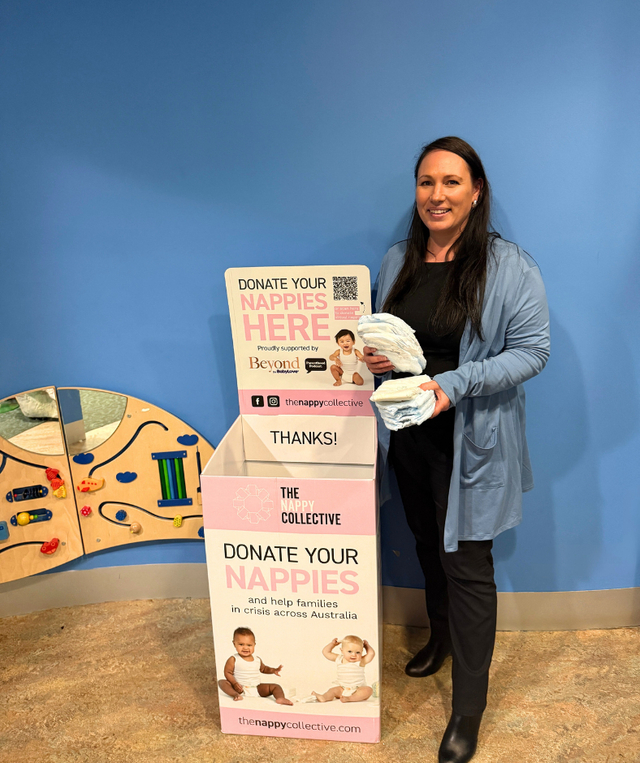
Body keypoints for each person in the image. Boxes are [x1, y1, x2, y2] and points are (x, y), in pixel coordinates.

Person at [362, 137, 549, 763]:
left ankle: (468, 709)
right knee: (425, 544)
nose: (436, 195)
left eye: (450, 182)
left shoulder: (509, 266)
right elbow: (397, 343)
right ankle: (439, 639)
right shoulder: (397, 260)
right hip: (408, 437)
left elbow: (532, 352)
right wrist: (380, 358)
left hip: (474, 443)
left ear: (476, 192)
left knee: (467, 566)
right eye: (426, 182)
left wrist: (452, 386)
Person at [218, 627, 293, 705]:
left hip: (256, 688)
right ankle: (235, 695)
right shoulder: (233, 659)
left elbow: (264, 669)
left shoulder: (257, 659)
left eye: (249, 645)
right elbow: (228, 672)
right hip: (239, 688)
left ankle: (280, 698)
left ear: (254, 645)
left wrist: (273, 670)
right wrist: (234, 683)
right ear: (234, 644)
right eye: (241, 644)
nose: (245, 648)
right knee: (222, 682)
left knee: (275, 686)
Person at [312, 635, 375, 703]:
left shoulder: (361, 661)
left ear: (362, 652)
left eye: (358, 652)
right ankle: (324, 697)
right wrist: (332, 644)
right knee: (332, 690)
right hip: (342, 688)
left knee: (368, 690)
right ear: (342, 651)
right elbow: (326, 652)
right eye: (350, 651)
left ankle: (350, 698)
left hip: (357, 689)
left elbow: (371, 653)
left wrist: (367, 645)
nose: (353, 655)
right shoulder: (339, 659)